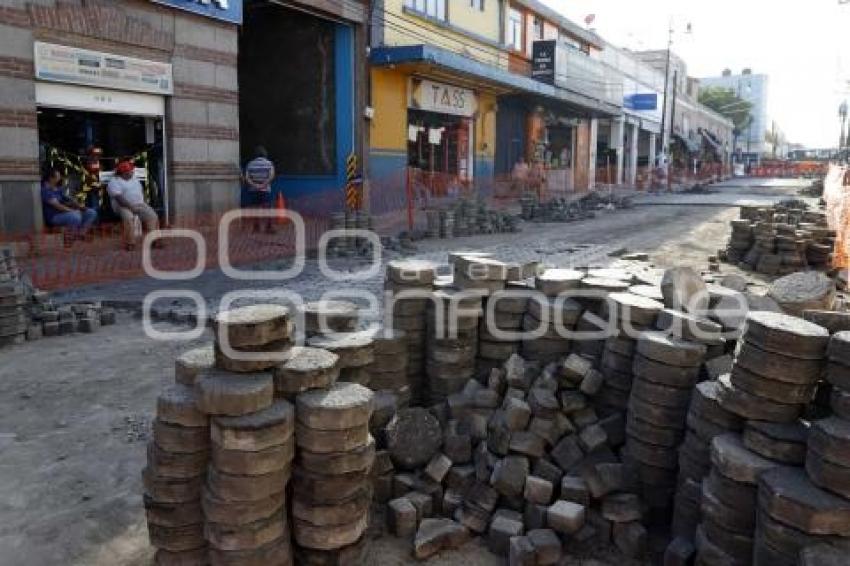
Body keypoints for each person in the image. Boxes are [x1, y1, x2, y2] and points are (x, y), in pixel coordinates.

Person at [107, 160, 159, 250]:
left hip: (139, 204)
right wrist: (131, 207)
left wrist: (144, 202)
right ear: (123, 173)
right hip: (122, 206)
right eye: (129, 171)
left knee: (152, 216)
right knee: (128, 218)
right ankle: (130, 243)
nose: (132, 172)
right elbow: (119, 199)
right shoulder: (114, 182)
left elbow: (140, 191)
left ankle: (154, 240)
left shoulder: (134, 178)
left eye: (131, 171)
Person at [40, 168, 98, 240]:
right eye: (58, 176)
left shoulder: (58, 188)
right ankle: (71, 237)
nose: (60, 178)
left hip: (65, 212)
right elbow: (58, 206)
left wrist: (80, 207)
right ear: (51, 178)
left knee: (91, 212)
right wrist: (72, 211)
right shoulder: (45, 190)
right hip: (54, 216)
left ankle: (81, 234)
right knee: (75, 216)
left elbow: (69, 199)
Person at [242, 146, 276, 232]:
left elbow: (247, 177)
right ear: (264, 154)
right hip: (265, 190)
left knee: (255, 208)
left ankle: (256, 226)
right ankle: (269, 227)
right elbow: (271, 176)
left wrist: (255, 185)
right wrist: (263, 185)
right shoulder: (269, 164)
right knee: (268, 207)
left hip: (253, 190)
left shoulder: (250, 164)